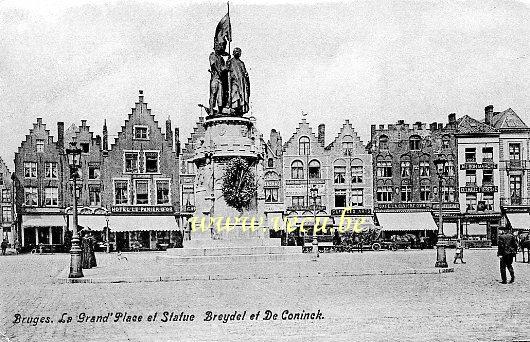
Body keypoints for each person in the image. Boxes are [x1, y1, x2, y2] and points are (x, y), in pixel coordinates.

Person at [228, 47, 250, 115]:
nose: (237, 53)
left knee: (241, 96)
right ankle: (234, 108)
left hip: (241, 82)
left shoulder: (241, 63)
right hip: (234, 81)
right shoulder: (230, 61)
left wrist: (246, 76)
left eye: (239, 51)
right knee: (235, 94)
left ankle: (239, 109)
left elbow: (244, 72)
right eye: (236, 51)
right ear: (233, 53)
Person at [209, 41, 229, 114]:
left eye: (219, 47)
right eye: (217, 47)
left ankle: (219, 110)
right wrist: (220, 71)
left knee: (220, 96)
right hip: (215, 78)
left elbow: (223, 68)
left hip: (220, 80)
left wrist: (227, 64)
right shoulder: (213, 55)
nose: (218, 48)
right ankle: (211, 110)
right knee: (213, 94)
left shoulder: (221, 59)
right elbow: (213, 65)